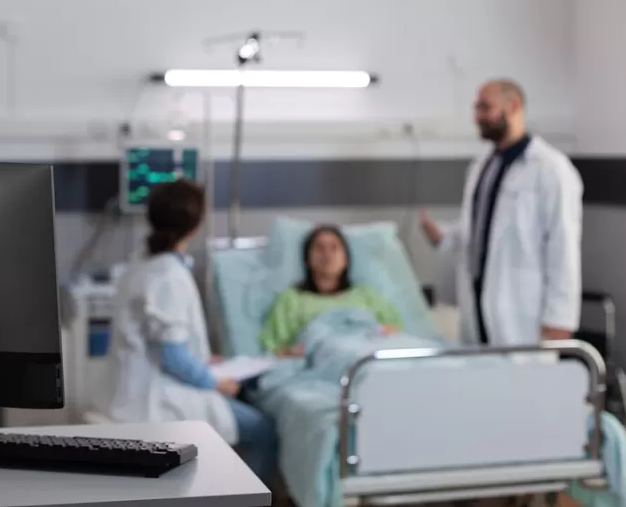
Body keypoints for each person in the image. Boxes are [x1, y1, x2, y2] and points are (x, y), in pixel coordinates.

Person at [94, 179, 277, 481]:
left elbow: (166, 344)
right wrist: (214, 382)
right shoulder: (168, 274)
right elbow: (173, 358)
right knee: (261, 429)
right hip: (155, 397)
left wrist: (203, 359)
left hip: (131, 387)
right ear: (196, 224)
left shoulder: (141, 263)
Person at [420, 79, 583, 346]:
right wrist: (443, 236)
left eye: (485, 108)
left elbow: (563, 248)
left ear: (514, 106)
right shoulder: (481, 167)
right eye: (476, 108)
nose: (478, 116)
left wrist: (561, 319)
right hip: (479, 303)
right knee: (484, 378)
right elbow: (480, 231)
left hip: (523, 312)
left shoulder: (551, 170)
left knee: (526, 383)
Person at [260, 224, 403, 356]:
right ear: (307, 260)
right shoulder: (291, 299)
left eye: (334, 247)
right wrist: (294, 352)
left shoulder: (366, 295)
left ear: (345, 259)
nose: (327, 254)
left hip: (364, 358)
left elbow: (394, 332)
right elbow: (274, 350)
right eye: (319, 248)